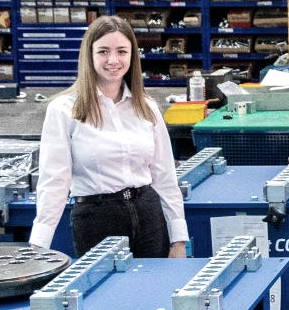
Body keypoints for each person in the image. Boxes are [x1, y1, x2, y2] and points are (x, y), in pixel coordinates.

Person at [30, 16, 189, 259]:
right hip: (96, 221)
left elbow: (165, 176)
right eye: (103, 51)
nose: (113, 60)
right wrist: (39, 245)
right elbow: (54, 181)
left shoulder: (146, 107)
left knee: (156, 284)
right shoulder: (64, 110)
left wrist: (178, 240)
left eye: (121, 51)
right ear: (89, 55)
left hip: (148, 215)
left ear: (132, 56)